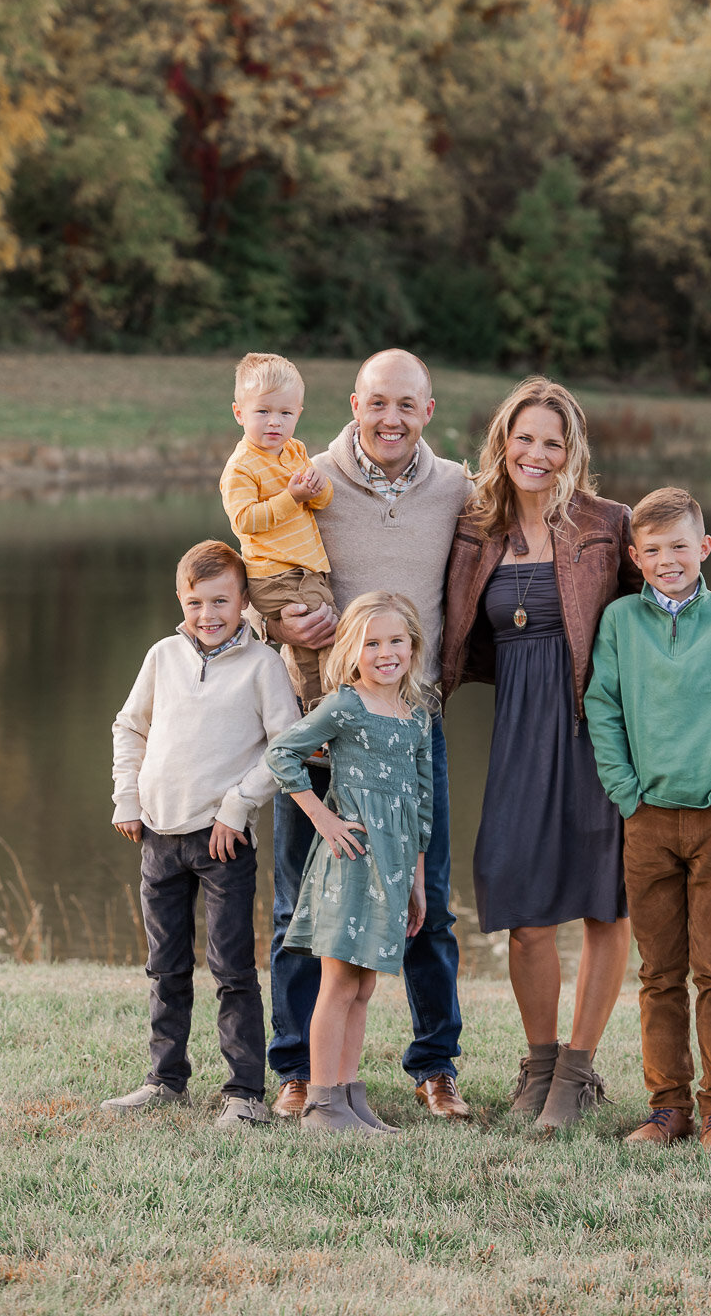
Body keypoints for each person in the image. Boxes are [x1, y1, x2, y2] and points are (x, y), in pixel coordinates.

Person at [266, 349, 474, 1120]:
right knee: (299, 904)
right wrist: (276, 618)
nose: (390, 418)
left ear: (427, 408)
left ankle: (433, 1064)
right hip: (321, 722)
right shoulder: (306, 478)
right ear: (353, 403)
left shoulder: (456, 485)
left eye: (406, 405)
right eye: (376, 402)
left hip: (411, 725)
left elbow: (529, 541)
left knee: (430, 902)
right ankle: (297, 1070)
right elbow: (259, 571)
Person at [442, 376, 640, 1133]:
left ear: (572, 451)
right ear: (501, 441)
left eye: (551, 442)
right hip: (519, 728)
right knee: (520, 900)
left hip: (595, 728)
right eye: (523, 437)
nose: (536, 453)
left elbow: (664, 607)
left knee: (601, 899)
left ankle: (577, 1072)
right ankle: (538, 1060)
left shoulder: (606, 522)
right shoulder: (472, 527)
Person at [585, 487, 711, 1150]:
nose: (667, 559)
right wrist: (624, 794)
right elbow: (603, 710)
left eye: (679, 546)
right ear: (634, 557)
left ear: (702, 548)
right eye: (652, 550)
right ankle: (667, 1107)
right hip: (645, 821)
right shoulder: (619, 623)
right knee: (658, 971)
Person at [103, 540, 299, 1127]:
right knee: (165, 965)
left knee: (232, 968)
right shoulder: (164, 656)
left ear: (244, 601)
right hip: (158, 835)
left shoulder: (264, 666)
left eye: (221, 601)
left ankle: (245, 1093)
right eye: (195, 602)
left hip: (223, 842)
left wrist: (237, 807)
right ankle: (165, 1079)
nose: (208, 614)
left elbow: (284, 748)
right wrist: (127, 797)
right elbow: (129, 726)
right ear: (180, 601)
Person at [265, 592, 432, 1134]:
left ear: (412, 646)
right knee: (338, 984)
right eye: (372, 642)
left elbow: (422, 807)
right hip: (350, 860)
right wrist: (322, 818)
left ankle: (350, 1096)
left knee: (365, 986)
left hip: (393, 866)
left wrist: (417, 882)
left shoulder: (417, 718)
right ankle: (322, 1101)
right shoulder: (345, 706)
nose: (385, 653)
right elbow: (282, 754)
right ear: (353, 650)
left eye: (395, 641)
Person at [220, 352, 337, 709]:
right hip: (275, 575)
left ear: (298, 414)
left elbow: (320, 503)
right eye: (263, 412)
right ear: (240, 413)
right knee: (325, 640)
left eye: (286, 413)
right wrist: (292, 496)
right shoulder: (241, 467)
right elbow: (244, 521)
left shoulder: (296, 451)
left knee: (316, 644)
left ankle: (316, 717)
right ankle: (322, 717)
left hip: (304, 571)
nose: (275, 422)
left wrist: (320, 486)